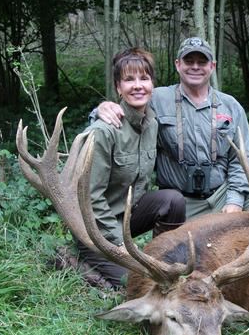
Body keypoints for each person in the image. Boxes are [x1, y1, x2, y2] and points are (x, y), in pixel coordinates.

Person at [92, 37, 249, 219]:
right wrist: (101, 109)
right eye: (189, 61)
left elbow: (242, 159)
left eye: (202, 62)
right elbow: (127, 111)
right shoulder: (156, 99)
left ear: (212, 66)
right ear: (178, 64)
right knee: (181, 236)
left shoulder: (230, 106)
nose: (195, 67)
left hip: (222, 195)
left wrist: (235, 200)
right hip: (181, 201)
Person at [78, 47, 186, 288]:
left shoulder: (151, 123)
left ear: (152, 85)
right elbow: (90, 199)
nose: (138, 86)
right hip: (95, 229)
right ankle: (78, 260)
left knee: (173, 201)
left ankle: (162, 258)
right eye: (129, 80)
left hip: (127, 217)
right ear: (118, 87)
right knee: (137, 284)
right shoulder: (104, 131)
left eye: (144, 78)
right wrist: (121, 245)